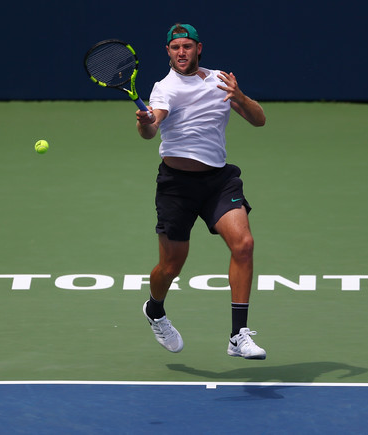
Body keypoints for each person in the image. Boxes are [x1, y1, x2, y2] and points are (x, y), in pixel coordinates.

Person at [136, 23, 267, 359]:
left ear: (199, 48)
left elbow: (259, 120)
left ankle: (238, 335)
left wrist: (240, 97)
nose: (182, 52)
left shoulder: (221, 79)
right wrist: (145, 122)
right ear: (168, 51)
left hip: (218, 182)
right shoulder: (164, 89)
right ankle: (155, 310)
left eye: (188, 46)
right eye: (175, 47)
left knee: (244, 244)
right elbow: (152, 129)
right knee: (171, 266)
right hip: (176, 188)